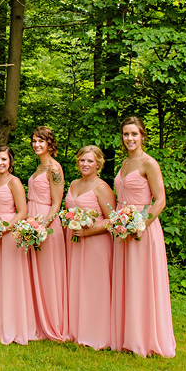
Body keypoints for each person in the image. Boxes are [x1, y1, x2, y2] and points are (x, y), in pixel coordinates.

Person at [110, 116, 176, 357]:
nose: (130, 138)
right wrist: (120, 222)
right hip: (122, 227)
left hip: (142, 228)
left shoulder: (149, 163)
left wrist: (142, 224)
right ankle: (128, 335)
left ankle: (145, 338)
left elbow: (160, 200)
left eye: (134, 134)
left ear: (143, 136)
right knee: (126, 280)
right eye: (126, 134)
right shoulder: (125, 163)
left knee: (141, 281)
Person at [0, 145, 37, 345]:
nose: (0, 163)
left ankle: (14, 324)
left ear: (10, 161)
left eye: (4, 159)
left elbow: (22, 211)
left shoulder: (14, 182)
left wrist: (5, 229)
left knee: (11, 278)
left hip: (10, 232)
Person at [64, 145, 115, 350]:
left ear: (98, 164)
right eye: (82, 160)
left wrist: (87, 231)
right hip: (74, 242)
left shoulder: (102, 187)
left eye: (90, 161)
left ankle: (97, 332)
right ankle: (77, 328)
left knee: (95, 288)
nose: (85, 164)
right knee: (77, 285)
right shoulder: (74, 184)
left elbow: (112, 220)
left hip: (96, 244)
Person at [27, 126, 68, 342]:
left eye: (41, 141)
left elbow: (57, 202)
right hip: (32, 218)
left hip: (46, 222)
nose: (36, 144)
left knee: (48, 272)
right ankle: (36, 320)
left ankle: (53, 322)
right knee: (35, 272)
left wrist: (42, 226)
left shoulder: (54, 168)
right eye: (34, 141)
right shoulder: (38, 168)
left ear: (49, 143)